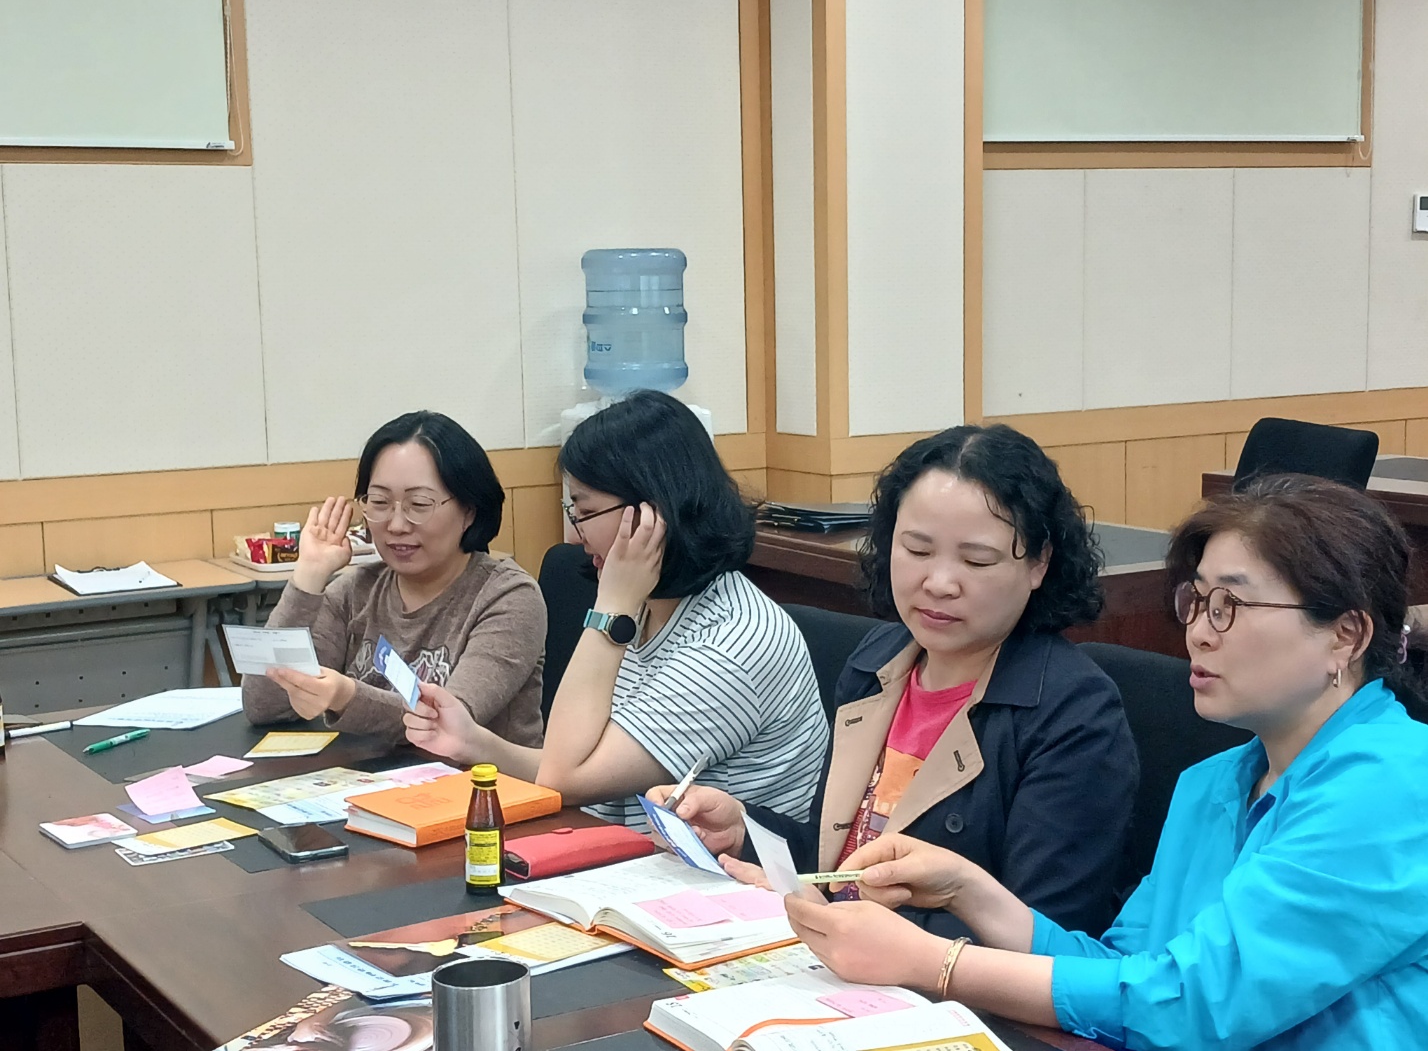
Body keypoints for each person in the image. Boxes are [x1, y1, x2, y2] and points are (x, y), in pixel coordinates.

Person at [784, 475, 1428, 1050]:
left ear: (1346, 635)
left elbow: (1193, 1005)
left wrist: (934, 964)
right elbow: (1123, 971)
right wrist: (969, 891)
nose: (1200, 632)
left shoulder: (1394, 784)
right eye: (1198, 601)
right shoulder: (1216, 783)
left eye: (1230, 607)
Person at [652, 424, 1138, 937]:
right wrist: (741, 831)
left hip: (943, 981)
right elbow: (837, 865)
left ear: (1039, 564)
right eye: (918, 551)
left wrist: (847, 922)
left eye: (976, 560)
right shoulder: (877, 663)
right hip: (834, 958)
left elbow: (1047, 934)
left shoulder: (1074, 711)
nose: (939, 583)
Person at [404, 390, 828, 829]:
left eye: (585, 511)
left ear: (651, 514)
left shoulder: (730, 644)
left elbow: (563, 779)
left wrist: (612, 608)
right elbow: (573, 763)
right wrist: (475, 744)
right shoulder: (649, 605)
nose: (574, 536)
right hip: (623, 853)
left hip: (709, 870)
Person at [242, 411, 544, 747]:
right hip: (364, 777)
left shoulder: (509, 597)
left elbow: (448, 725)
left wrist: (346, 696)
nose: (396, 525)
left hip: (478, 779)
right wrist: (309, 575)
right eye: (380, 502)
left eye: (419, 504)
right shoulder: (355, 591)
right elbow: (265, 705)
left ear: (469, 511)